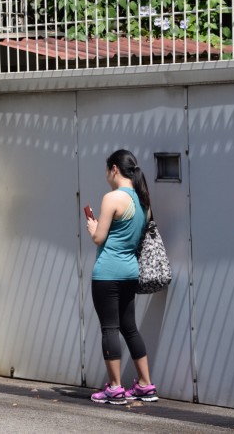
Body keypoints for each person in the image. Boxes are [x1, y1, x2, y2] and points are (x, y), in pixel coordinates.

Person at [86, 149, 159, 404]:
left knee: (110, 328)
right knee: (130, 327)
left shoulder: (112, 198)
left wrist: (93, 227)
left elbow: (99, 238)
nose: (107, 176)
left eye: (107, 171)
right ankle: (145, 384)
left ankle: (115, 387)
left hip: (107, 272)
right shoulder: (143, 200)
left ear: (114, 169)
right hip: (130, 271)